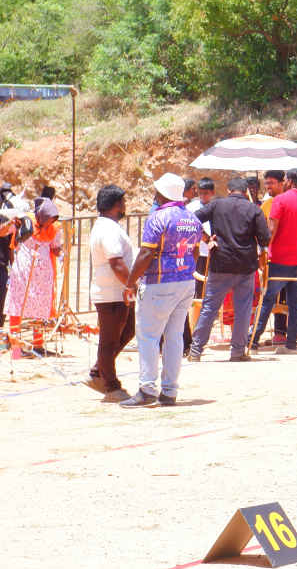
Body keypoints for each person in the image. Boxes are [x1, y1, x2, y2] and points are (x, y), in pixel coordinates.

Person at [122, 174, 202, 407]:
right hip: (185, 281)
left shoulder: (158, 217)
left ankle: (147, 389)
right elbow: (195, 252)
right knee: (174, 337)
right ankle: (169, 391)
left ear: (162, 193)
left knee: (148, 336)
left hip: (159, 282)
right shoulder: (192, 218)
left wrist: (130, 282)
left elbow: (146, 253)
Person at [189, 177, 271, 362]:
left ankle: (195, 351)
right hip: (245, 266)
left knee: (209, 308)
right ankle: (238, 351)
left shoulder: (217, 205)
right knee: (243, 310)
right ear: (245, 191)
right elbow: (265, 239)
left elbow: (191, 220)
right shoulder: (254, 209)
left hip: (220, 263)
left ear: (228, 191)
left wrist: (206, 238)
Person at [252, 169, 297, 352]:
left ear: (289, 181)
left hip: (279, 259)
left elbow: (271, 230)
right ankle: (291, 343)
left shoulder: (280, 200)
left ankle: (253, 340)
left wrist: (263, 250)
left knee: (267, 300)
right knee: (295, 304)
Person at [85, 186, 135, 401]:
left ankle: (99, 371)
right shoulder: (108, 229)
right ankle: (111, 386)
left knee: (127, 331)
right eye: (123, 202)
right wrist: (131, 285)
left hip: (116, 291)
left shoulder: (108, 226)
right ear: (116, 204)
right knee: (109, 341)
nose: (125, 206)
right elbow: (116, 262)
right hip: (112, 293)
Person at [4, 197, 64, 357]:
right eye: (48, 218)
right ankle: (16, 348)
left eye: (52, 219)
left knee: (40, 307)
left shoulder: (55, 228)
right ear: (41, 215)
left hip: (43, 275)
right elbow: (3, 232)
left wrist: (61, 252)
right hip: (23, 271)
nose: (50, 222)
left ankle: (38, 344)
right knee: (17, 305)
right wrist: (10, 223)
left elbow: (55, 248)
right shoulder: (25, 221)